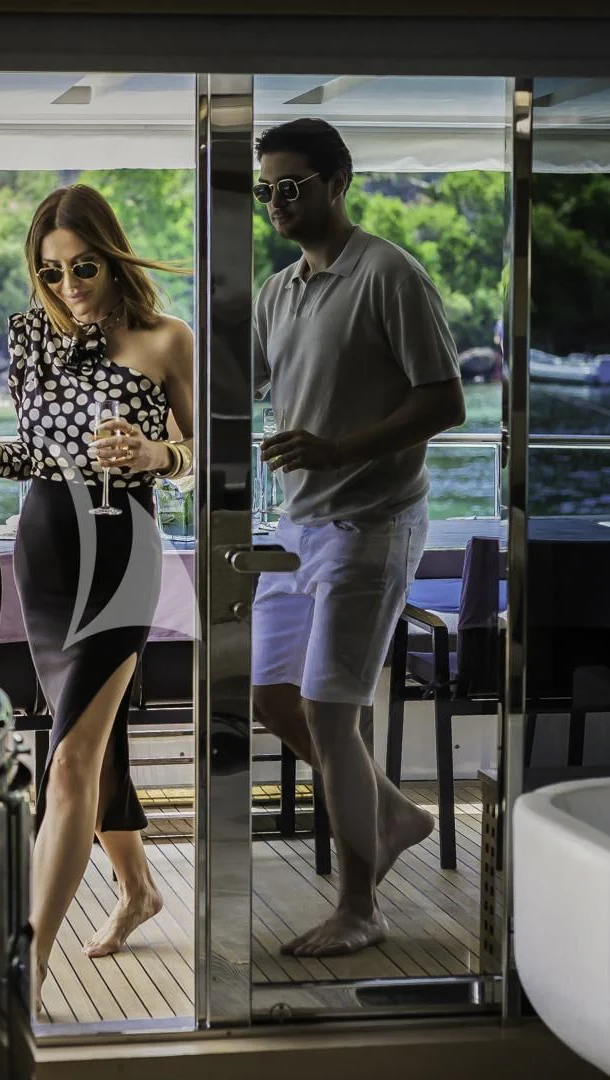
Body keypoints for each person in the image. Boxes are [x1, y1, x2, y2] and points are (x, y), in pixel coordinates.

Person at [0, 185, 196, 1012]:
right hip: (45, 555)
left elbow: (207, 454)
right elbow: (40, 451)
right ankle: (140, 890)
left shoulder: (167, 339)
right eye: (51, 273)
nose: (68, 286)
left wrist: (155, 453)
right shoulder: (33, 339)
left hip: (120, 555)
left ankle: (30, 960)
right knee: (90, 742)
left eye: (82, 267)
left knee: (68, 762)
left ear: (113, 258)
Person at [250, 118, 467, 957]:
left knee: (328, 711)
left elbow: (444, 400)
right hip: (296, 523)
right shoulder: (277, 291)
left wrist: (339, 449)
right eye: (266, 190)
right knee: (272, 696)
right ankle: (394, 813)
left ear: (339, 182)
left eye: (291, 186)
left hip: (373, 522)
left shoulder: (389, 274)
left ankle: (358, 907)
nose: (276, 201)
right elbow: (242, 388)